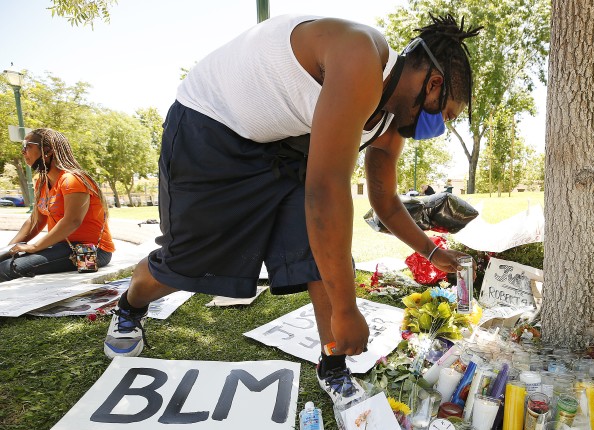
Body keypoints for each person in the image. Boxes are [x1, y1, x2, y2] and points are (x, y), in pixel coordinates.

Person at [103, 13, 481, 405]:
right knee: (189, 263)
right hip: (211, 125)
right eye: (447, 114)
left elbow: (384, 200)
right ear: (433, 85)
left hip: (282, 146)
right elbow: (326, 189)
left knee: (323, 259)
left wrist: (432, 251)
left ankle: (333, 365)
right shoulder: (360, 56)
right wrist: (348, 310)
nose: (439, 127)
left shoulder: (390, 118)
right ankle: (130, 306)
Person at [1, 129, 114, 282]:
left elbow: (72, 221)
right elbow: (35, 221)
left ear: (47, 150)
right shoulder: (41, 182)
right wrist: (9, 249)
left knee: (9, 268)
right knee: (5, 261)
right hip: (62, 248)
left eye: (27, 146)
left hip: (91, 251)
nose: (23, 151)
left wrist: (34, 247)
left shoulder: (72, 179)